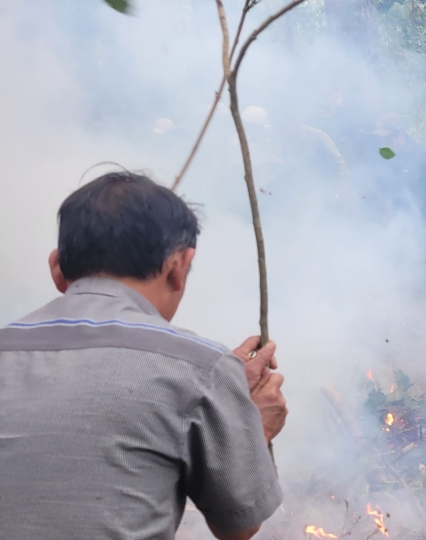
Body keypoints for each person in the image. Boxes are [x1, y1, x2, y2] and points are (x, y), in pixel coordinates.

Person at [0, 171, 287, 540]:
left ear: (57, 267)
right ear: (178, 267)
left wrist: (224, 388)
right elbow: (239, 525)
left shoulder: (203, 371)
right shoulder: (200, 368)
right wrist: (254, 425)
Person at [374, 113, 426, 271]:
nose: (384, 142)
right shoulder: (390, 155)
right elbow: (387, 182)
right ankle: (411, 292)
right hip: (403, 216)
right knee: (405, 256)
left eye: (387, 138)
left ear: (398, 135)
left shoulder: (423, 156)